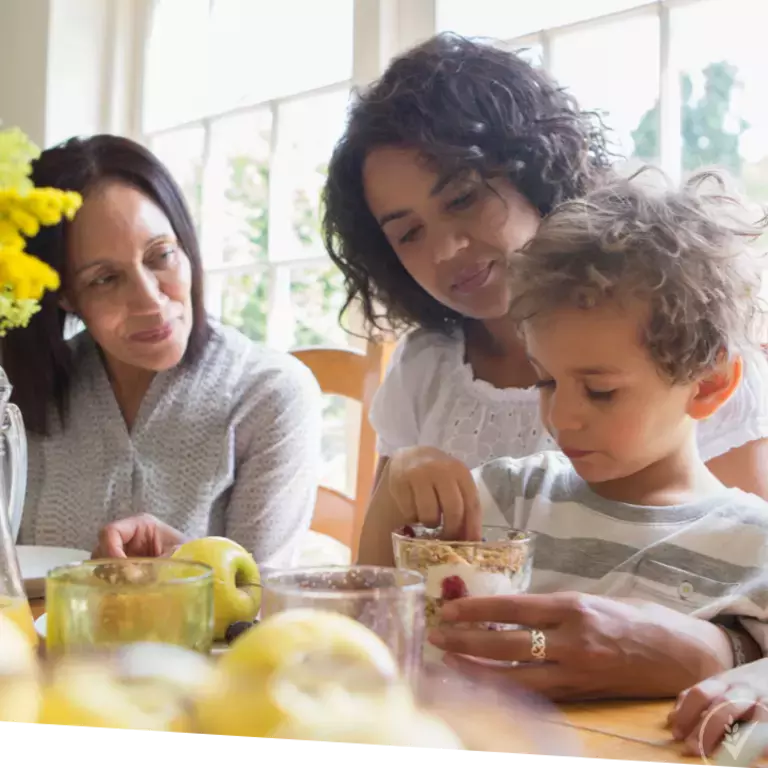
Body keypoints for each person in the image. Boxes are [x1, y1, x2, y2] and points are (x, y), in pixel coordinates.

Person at [358, 167, 768, 702]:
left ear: (708, 384)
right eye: (546, 380)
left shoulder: (753, 547)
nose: (562, 418)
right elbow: (372, 600)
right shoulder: (509, 498)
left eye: (600, 391)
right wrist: (402, 478)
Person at [321, 32, 768, 504]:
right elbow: (384, 549)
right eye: (409, 233)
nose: (446, 249)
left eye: (463, 198)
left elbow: (747, 543)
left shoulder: (684, 355)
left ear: (533, 171)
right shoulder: (423, 369)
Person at [2, 134, 323, 567]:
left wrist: (184, 572)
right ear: (65, 296)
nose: (151, 301)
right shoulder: (21, 390)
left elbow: (261, 599)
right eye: (105, 279)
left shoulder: (270, 394)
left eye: (161, 255)